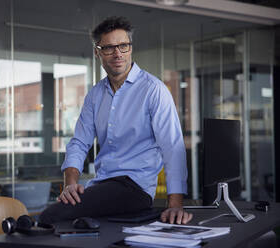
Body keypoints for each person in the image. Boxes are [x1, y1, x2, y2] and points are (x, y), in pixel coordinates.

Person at [39, 16, 192, 225]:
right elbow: (79, 142)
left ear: (131, 48)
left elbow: (172, 147)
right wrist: (70, 184)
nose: (118, 53)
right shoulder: (95, 95)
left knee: (50, 217)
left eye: (123, 46)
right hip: (102, 184)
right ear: (97, 52)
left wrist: (175, 203)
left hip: (135, 187)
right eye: (109, 48)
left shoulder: (153, 90)